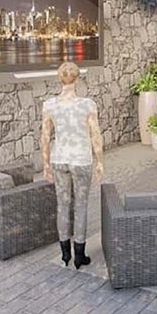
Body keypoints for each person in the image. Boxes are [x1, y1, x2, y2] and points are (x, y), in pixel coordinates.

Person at [40, 61, 104, 269]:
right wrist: (100, 161)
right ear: (77, 79)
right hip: (81, 160)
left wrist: (46, 164)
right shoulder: (87, 104)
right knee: (81, 205)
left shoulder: (49, 105)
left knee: (63, 205)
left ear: (60, 79)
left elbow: (45, 137)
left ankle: (65, 255)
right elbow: (95, 135)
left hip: (59, 159)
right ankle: (79, 255)